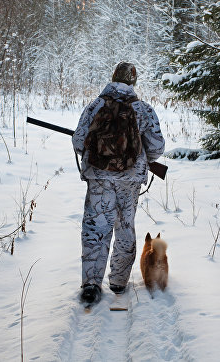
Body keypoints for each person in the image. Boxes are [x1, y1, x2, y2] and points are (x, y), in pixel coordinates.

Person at [72, 62, 165, 304]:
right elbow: (157, 146)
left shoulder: (95, 106)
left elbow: (78, 141)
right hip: (130, 181)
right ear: (133, 82)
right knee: (125, 227)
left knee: (95, 228)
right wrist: (141, 159)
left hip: (99, 179)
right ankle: (119, 282)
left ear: (112, 77)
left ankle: (91, 285)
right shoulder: (143, 109)